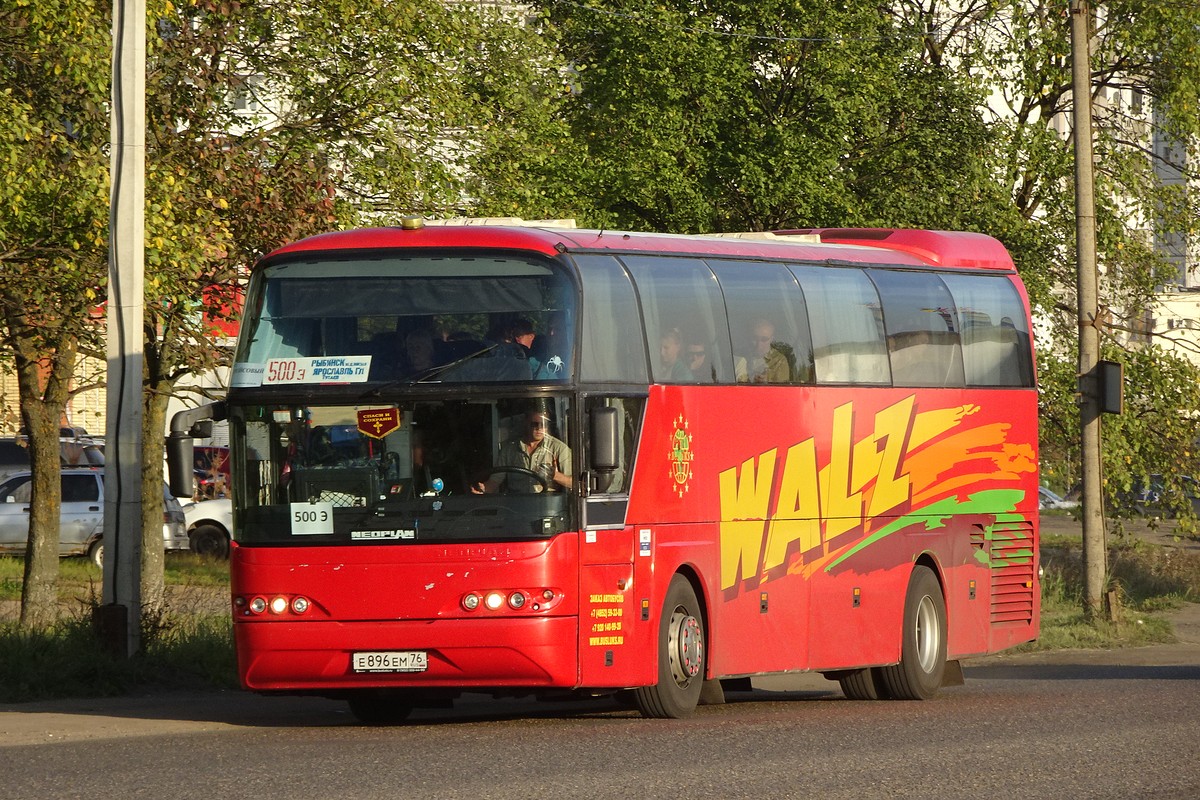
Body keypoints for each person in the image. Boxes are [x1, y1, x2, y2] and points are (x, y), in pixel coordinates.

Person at [473, 409, 572, 493]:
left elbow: (574, 484)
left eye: (544, 424)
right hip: (516, 505)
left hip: (547, 506)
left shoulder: (559, 449)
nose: (539, 428)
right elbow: (495, 481)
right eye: (535, 424)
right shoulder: (510, 450)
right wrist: (482, 490)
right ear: (526, 423)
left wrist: (555, 475)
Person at [736, 319, 789, 383]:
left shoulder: (779, 360)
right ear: (750, 337)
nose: (759, 344)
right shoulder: (739, 355)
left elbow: (783, 389)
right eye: (755, 339)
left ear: (772, 339)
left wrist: (768, 382)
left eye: (764, 339)